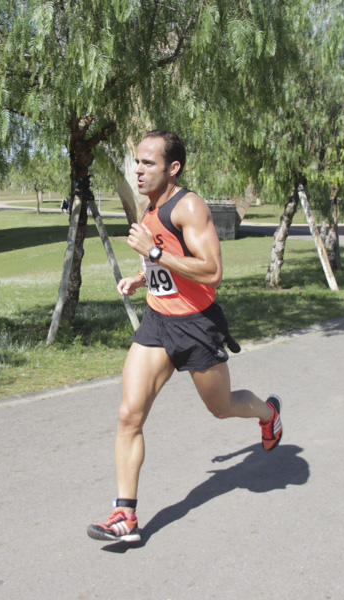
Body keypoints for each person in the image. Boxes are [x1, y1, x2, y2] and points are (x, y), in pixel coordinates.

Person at [87, 130, 283, 544]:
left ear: (172, 168)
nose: (138, 170)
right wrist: (144, 277)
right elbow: (165, 257)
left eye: (148, 163)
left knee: (222, 407)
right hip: (158, 322)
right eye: (136, 162)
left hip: (197, 325)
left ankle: (268, 413)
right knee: (129, 415)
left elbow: (211, 271)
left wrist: (155, 255)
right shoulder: (149, 204)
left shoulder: (189, 206)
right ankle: (125, 515)